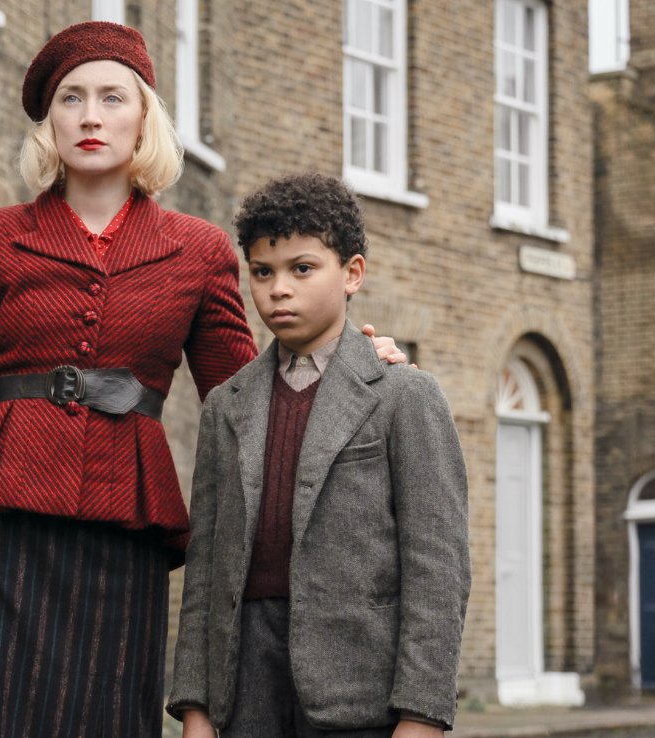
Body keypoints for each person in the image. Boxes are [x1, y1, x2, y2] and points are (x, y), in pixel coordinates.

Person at [0, 24, 406, 738]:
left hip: (123, 542)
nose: (91, 116)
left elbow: (247, 398)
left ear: (144, 116)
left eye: (112, 98)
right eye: (71, 99)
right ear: (49, 121)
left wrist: (351, 361)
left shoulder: (200, 250)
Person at [167, 172, 471, 738]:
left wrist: (422, 714)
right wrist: (195, 708)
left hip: (361, 692)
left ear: (352, 273)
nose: (278, 288)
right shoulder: (226, 407)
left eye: (301, 269)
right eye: (262, 272)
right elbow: (206, 571)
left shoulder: (405, 395)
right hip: (244, 690)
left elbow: (439, 569)